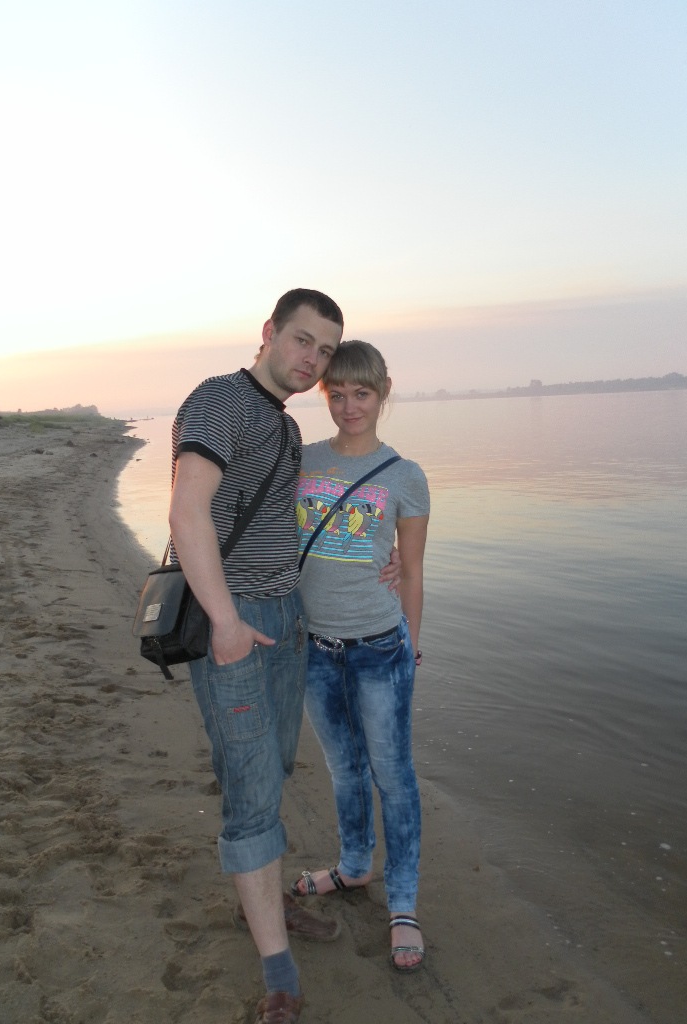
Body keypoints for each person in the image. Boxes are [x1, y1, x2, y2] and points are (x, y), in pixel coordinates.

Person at [168, 288, 345, 1024]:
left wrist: (384, 564)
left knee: (271, 768)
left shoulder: (286, 425)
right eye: (303, 340)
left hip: (284, 620)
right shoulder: (221, 400)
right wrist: (226, 623)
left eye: (326, 351)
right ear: (269, 332)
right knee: (250, 787)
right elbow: (187, 511)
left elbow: (284, 521)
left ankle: (261, 902)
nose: (313, 359)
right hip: (235, 621)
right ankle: (279, 972)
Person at [291, 340, 430, 973]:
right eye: (338, 394)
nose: (350, 406)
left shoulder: (404, 475)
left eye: (362, 394)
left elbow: (413, 570)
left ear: (383, 393)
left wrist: (412, 642)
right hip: (315, 648)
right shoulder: (303, 460)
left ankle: (402, 902)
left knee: (393, 776)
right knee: (344, 769)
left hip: (379, 649)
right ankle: (352, 867)